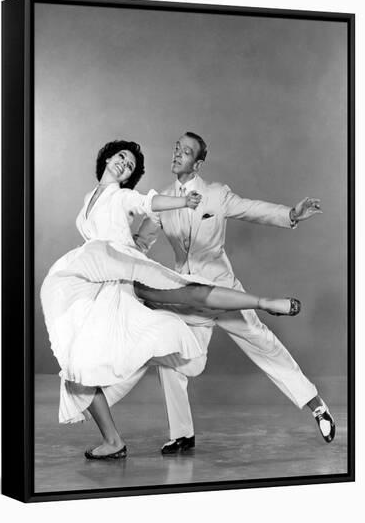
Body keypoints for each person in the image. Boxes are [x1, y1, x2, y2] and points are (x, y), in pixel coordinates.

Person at [40, 140, 301, 460]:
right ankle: (113, 441)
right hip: (99, 283)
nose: (125, 164)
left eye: (131, 166)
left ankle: (264, 303)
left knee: (185, 289)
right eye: (122, 157)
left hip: (124, 276)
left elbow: (148, 202)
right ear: (108, 158)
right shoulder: (88, 199)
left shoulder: (122, 196)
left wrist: (181, 203)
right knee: (76, 370)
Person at [133, 132, 336, 455]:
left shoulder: (216, 195)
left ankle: (316, 406)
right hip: (187, 298)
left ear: (198, 163)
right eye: (176, 149)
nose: (177, 155)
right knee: (171, 358)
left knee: (265, 345)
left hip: (224, 292)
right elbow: (141, 243)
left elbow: (253, 209)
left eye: (185, 152)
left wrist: (292, 215)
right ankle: (182, 434)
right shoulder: (162, 200)